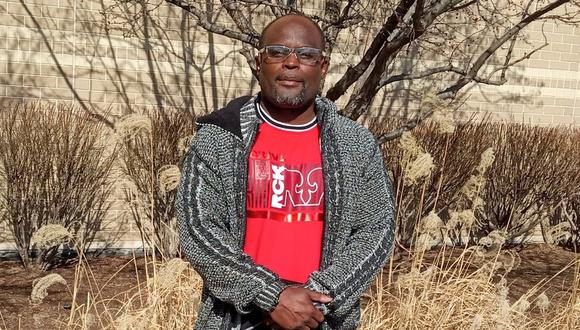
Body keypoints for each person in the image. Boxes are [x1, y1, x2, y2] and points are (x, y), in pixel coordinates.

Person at [176, 14, 395, 330]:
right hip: (238, 320)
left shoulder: (355, 143)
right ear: (258, 63)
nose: (291, 63)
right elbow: (199, 229)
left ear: (322, 67)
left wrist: (319, 297)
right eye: (277, 52)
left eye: (306, 55)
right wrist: (271, 295)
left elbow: (377, 229)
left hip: (322, 319)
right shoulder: (221, 136)